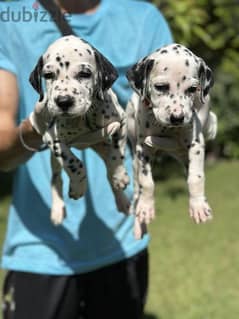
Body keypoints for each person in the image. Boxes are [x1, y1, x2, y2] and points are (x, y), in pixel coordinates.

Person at [0, 0, 173, 318]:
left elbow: (168, 125)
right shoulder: (8, 18)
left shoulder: (143, 19)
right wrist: (37, 125)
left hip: (121, 239)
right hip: (39, 248)